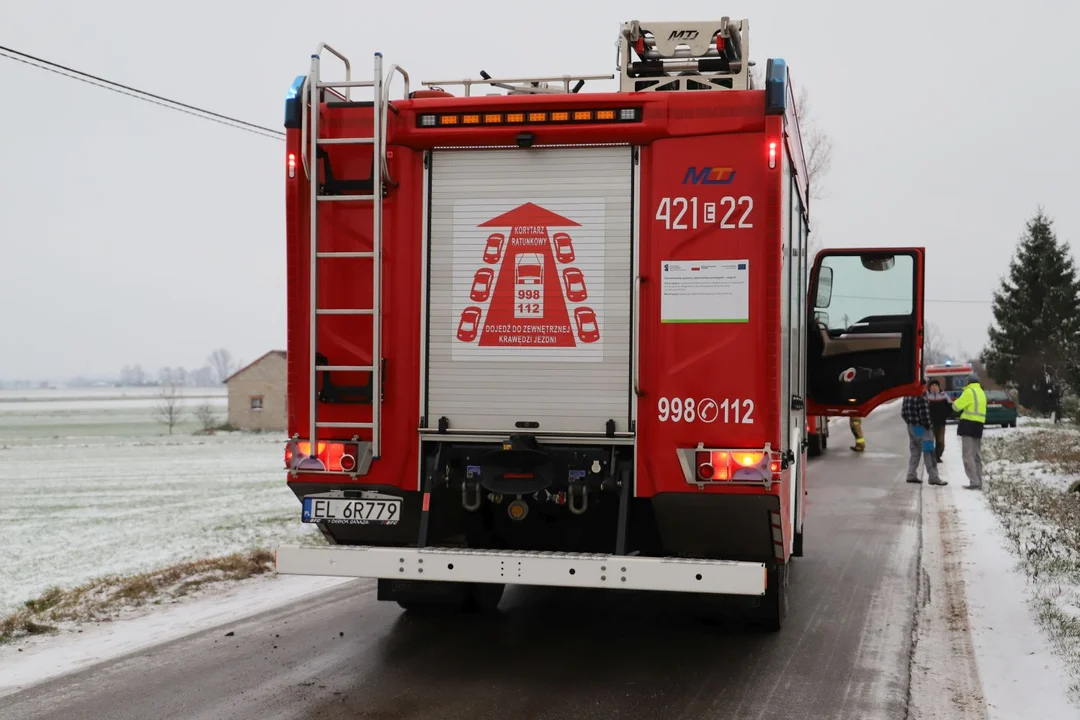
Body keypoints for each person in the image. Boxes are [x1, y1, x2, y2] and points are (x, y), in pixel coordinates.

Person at [902, 383, 944, 485]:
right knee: (929, 451)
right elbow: (924, 415)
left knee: (915, 451)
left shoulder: (907, 396)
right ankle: (933, 477)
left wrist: (910, 423)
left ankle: (911, 474)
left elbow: (903, 413)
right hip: (922, 428)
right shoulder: (921, 396)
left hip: (911, 427)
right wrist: (929, 425)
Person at [952, 375, 987, 489]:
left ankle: (974, 481)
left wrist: (953, 402)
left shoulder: (969, 392)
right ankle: (979, 481)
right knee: (976, 455)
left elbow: (956, 407)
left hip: (968, 425)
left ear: (969, 382)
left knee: (967, 455)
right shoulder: (981, 392)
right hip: (979, 425)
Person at [926, 380, 951, 463]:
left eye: (935, 385)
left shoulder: (944, 395)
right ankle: (931, 458)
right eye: (932, 386)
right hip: (930, 423)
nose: (934, 387)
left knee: (940, 442)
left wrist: (945, 415)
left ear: (938, 386)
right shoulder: (926, 396)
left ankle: (938, 456)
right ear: (929, 387)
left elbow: (950, 406)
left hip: (941, 423)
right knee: (930, 441)